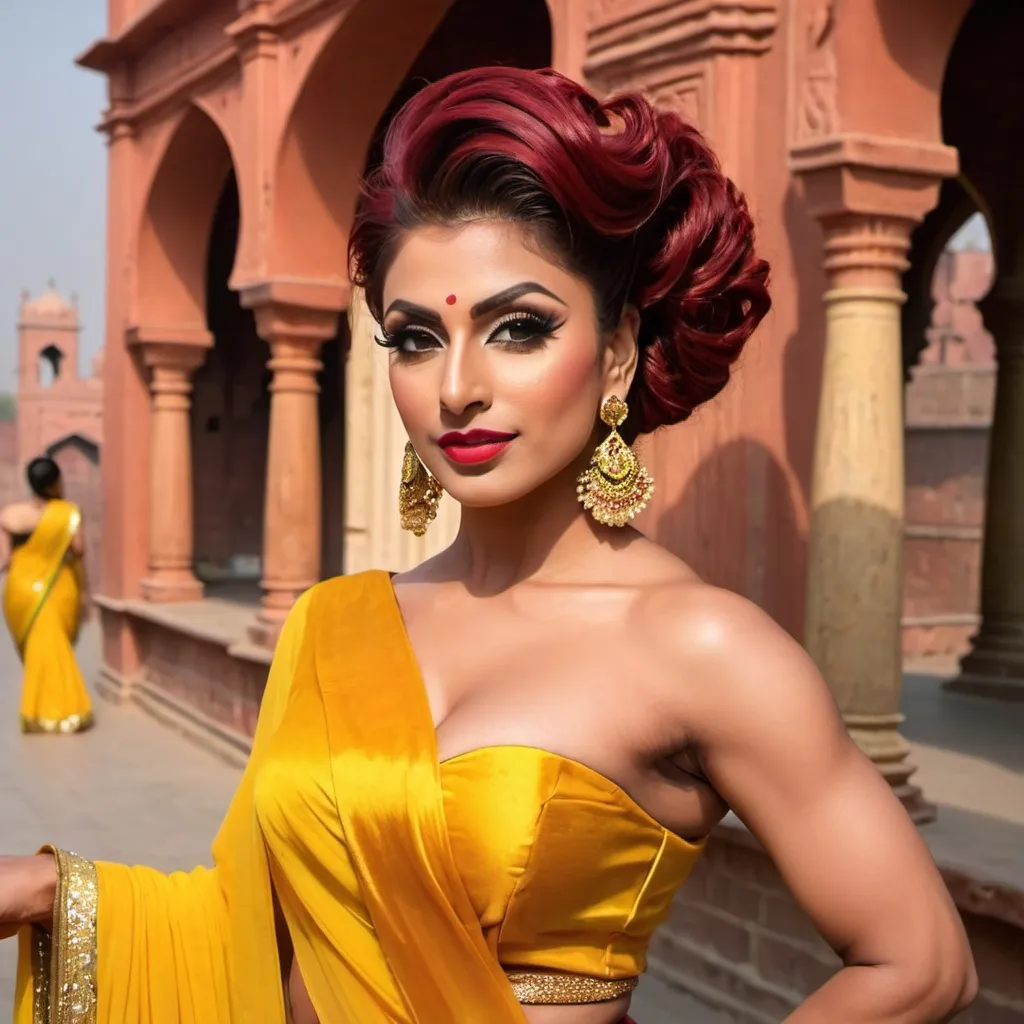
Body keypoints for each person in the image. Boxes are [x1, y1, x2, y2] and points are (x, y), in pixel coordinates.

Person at [0, 67, 975, 1024]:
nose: (456, 385)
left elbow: (919, 964)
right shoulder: (332, 625)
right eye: (415, 338)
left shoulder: (699, 646)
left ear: (620, 349)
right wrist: (46, 892)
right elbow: (251, 923)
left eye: (518, 328)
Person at [0, 456, 93, 735]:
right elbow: (78, 550)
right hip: (56, 589)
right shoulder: (68, 513)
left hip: (21, 591)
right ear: (55, 484)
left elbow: (4, 559)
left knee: (40, 651)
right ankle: (64, 710)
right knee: (54, 649)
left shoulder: (9, 515)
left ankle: (37, 712)